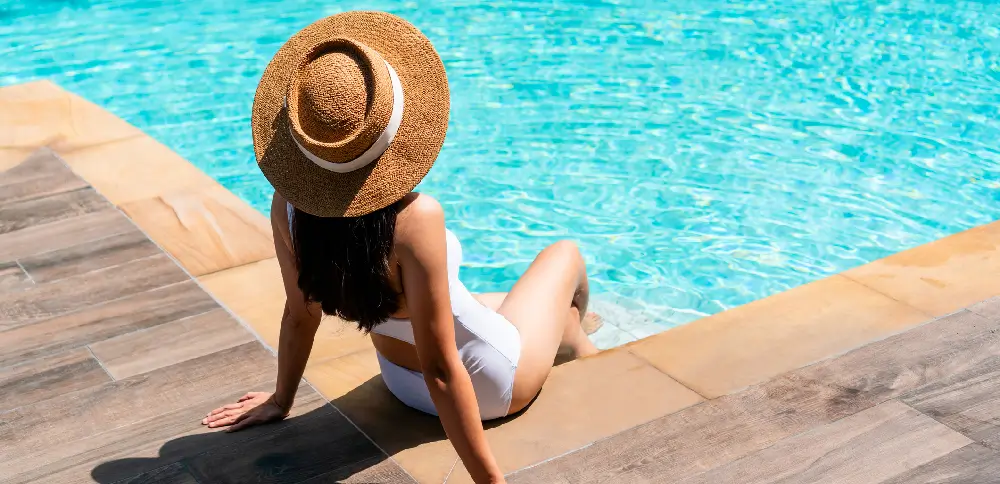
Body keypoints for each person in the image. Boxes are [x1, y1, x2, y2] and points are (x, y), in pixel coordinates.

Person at [200, 11, 600, 484]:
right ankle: (586, 353)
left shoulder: (288, 207)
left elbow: (299, 313)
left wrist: (281, 401)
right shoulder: (415, 219)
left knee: (555, 320)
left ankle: (576, 338)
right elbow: (442, 368)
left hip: (398, 382)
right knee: (565, 255)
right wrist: (490, 480)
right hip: (491, 384)